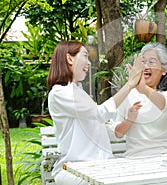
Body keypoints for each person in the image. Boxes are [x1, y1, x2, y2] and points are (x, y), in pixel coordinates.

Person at [47, 41, 143, 185]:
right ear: (69, 59)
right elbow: (100, 113)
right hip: (75, 170)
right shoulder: (60, 93)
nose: (89, 63)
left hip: (101, 167)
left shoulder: (79, 92)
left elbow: (104, 127)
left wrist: (129, 120)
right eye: (85, 56)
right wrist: (129, 85)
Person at [108, 42, 167, 157]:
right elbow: (116, 134)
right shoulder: (128, 94)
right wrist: (129, 121)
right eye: (143, 62)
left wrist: (144, 89)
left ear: (164, 70)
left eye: (151, 62)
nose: (146, 66)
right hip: (138, 156)